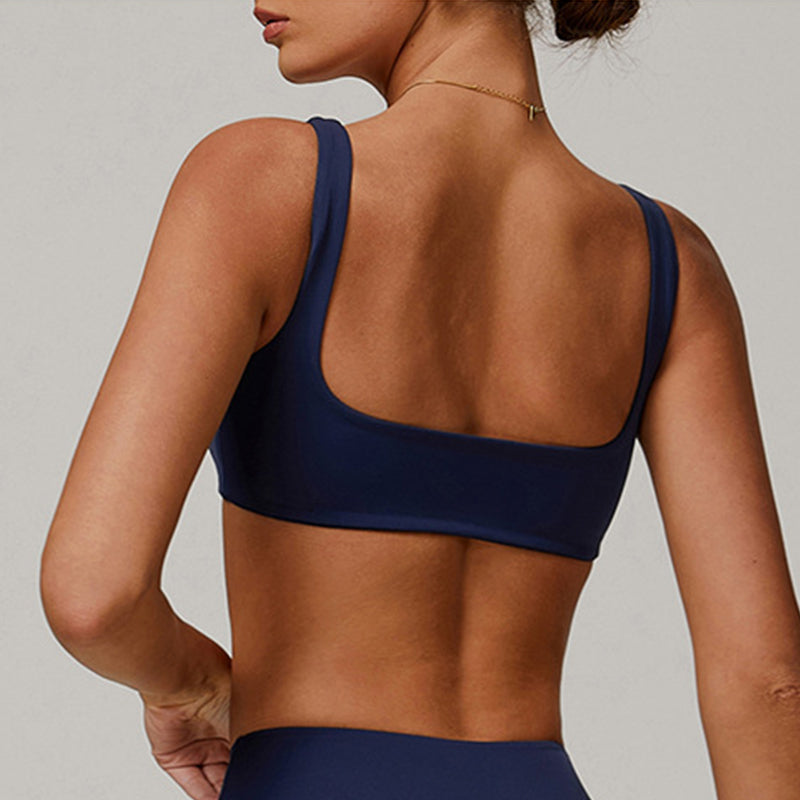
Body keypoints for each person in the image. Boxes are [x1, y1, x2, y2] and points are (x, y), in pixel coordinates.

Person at [40, 1, 800, 799]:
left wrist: (192, 687)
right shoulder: (671, 265)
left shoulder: (259, 182)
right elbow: (771, 683)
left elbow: (94, 595)